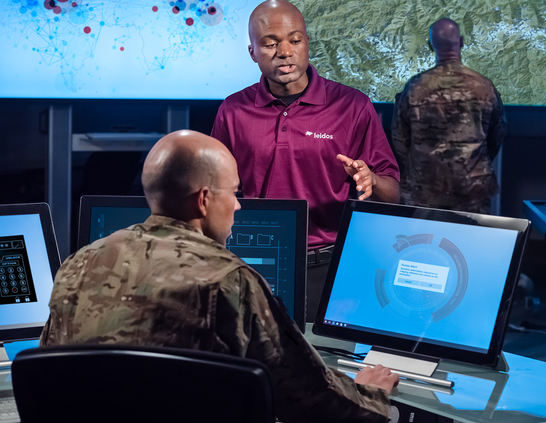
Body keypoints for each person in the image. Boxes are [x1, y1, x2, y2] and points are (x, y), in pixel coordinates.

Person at [40, 130, 399, 423]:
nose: (239, 205)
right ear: (205, 200)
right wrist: (370, 394)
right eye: (235, 192)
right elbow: (309, 400)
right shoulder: (230, 280)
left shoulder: (78, 264)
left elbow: (52, 373)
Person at [210, 0, 400, 321]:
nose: (285, 51)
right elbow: (213, 192)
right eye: (270, 43)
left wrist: (371, 181)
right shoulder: (232, 111)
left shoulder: (352, 106)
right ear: (253, 52)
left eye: (295, 41)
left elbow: (393, 194)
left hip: (330, 267)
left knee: (330, 365)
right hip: (253, 263)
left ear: (307, 43)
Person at [391, 18, 507, 214]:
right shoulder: (484, 87)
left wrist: (421, 165)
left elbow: (400, 138)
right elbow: (497, 135)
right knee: (470, 243)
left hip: (424, 189)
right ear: (461, 41)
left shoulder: (414, 87)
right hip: (472, 190)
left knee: (422, 242)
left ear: (430, 45)